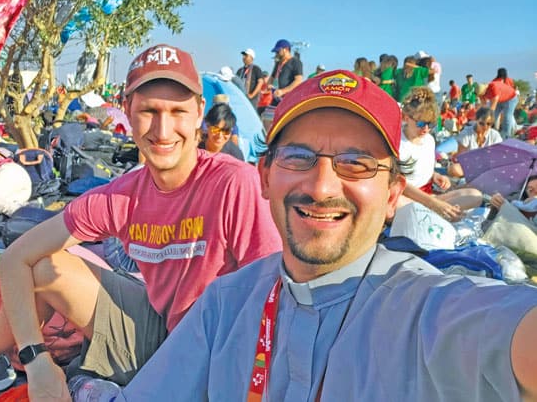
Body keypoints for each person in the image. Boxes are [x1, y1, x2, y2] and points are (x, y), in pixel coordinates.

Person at [117, 70, 537, 401]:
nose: (321, 188)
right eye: (298, 157)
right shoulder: (226, 305)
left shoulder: (426, 309)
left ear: (393, 194)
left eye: (356, 164)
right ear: (264, 177)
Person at [0, 44, 282, 398]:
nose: (163, 130)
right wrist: (36, 361)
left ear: (199, 113)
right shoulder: (122, 194)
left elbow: (274, 297)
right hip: (159, 329)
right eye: (149, 111)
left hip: (217, 350)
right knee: (44, 265)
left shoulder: (235, 183)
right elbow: (14, 259)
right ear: (127, 111)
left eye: (177, 112)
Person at [396, 87, 482, 221]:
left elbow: (422, 170)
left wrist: (436, 176)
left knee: (475, 195)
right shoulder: (397, 141)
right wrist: (434, 204)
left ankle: (428, 215)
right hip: (406, 196)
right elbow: (398, 182)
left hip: (428, 196)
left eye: (431, 124)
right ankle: (435, 214)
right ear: (406, 118)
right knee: (396, 203)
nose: (426, 129)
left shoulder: (429, 140)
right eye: (420, 123)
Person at [447, 107, 503, 178]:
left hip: (487, 167)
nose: (485, 127)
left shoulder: (495, 136)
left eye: (488, 124)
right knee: (453, 169)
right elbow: (461, 157)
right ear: (476, 120)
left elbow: (497, 157)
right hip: (469, 167)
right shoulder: (466, 133)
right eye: (481, 123)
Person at [485, 67, 519, 138]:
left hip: (510, 98)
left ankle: (507, 135)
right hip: (500, 99)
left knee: (507, 117)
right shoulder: (494, 82)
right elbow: (490, 102)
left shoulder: (508, 80)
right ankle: (493, 131)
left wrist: (489, 113)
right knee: (494, 115)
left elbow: (510, 90)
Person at [270, 39, 303, 104]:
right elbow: (272, 78)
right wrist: (268, 86)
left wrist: (283, 91)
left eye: (278, 51)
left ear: (285, 49)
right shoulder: (278, 63)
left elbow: (298, 81)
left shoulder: (295, 62)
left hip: (288, 100)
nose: (276, 53)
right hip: (276, 98)